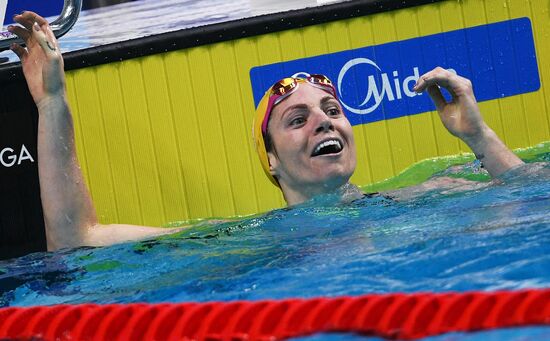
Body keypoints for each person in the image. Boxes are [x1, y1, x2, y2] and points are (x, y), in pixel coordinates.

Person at [8, 12, 524, 251]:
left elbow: (529, 196)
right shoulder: (243, 240)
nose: (323, 119)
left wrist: (478, 137)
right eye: (296, 120)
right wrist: (52, 100)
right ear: (270, 161)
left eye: (331, 109)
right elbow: (77, 241)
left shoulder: (427, 197)